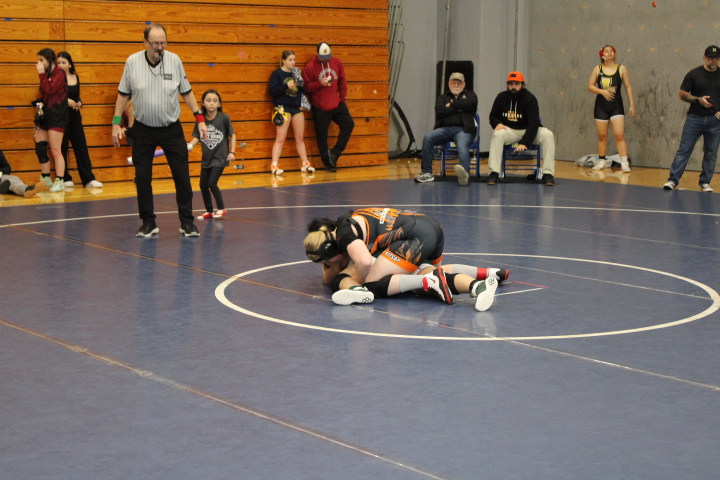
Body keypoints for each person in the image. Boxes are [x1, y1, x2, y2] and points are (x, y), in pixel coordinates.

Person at [303, 208, 508, 311]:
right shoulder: (351, 219)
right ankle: (482, 282)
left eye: (327, 263)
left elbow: (364, 262)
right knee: (432, 271)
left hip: (413, 236)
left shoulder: (345, 235)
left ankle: (359, 292)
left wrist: (363, 281)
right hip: (429, 227)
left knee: (374, 284)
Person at [111, 23, 207, 237]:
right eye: (155, 43)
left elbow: (187, 92)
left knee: (182, 176)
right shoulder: (132, 62)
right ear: (145, 42)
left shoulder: (175, 60)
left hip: (171, 128)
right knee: (142, 176)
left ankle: (187, 222)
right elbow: (123, 95)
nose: (160, 47)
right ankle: (148, 222)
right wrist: (116, 122)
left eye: (163, 42)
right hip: (143, 129)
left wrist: (199, 118)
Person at [663, 45, 720, 192]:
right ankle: (673, 180)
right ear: (705, 58)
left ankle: (705, 182)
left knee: (711, 153)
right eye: (711, 57)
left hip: (715, 121)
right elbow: (682, 94)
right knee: (684, 149)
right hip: (694, 119)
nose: (714, 60)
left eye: (716, 57)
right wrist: (698, 100)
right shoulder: (693, 74)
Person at [487, 71, 556, 186]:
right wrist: (497, 123)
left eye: (516, 84)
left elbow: (534, 123)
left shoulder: (530, 99)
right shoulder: (501, 97)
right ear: (507, 84)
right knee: (497, 135)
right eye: (511, 84)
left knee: (548, 135)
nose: (513, 87)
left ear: (522, 85)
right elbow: (492, 116)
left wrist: (525, 142)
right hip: (510, 131)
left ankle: (548, 174)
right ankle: (494, 173)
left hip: (528, 130)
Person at [414, 72, 478, 186]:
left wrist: (452, 105)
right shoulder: (443, 97)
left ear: (464, 85)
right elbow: (440, 111)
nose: (456, 85)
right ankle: (426, 173)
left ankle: (464, 174)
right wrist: (460, 107)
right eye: (454, 83)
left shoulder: (470, 95)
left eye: (459, 83)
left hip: (463, 130)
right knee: (428, 137)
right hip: (445, 129)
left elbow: (471, 103)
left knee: (462, 146)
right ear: (449, 84)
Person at [303, 42, 354, 172]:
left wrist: (342, 99)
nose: (326, 60)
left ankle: (335, 152)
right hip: (319, 105)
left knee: (349, 124)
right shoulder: (310, 67)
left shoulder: (337, 62)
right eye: (323, 57)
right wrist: (320, 83)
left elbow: (342, 81)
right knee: (322, 136)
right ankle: (329, 163)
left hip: (336, 102)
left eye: (327, 57)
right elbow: (307, 87)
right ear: (317, 55)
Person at [56, 51, 103, 189]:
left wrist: (79, 102)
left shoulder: (75, 77)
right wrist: (66, 101)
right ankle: (64, 178)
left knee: (81, 148)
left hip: (75, 117)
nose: (60, 65)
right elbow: (53, 99)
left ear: (69, 64)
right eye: (58, 63)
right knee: (62, 148)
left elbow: (77, 96)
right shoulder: (55, 79)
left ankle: (88, 178)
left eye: (63, 62)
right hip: (60, 118)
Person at [587, 45, 635, 173]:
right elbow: (590, 86)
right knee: (602, 136)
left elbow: (628, 87)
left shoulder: (621, 68)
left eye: (611, 51)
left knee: (619, 135)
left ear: (615, 54)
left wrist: (632, 105)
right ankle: (601, 161)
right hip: (601, 107)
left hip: (616, 106)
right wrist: (602, 91)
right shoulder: (598, 69)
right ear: (602, 54)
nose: (609, 53)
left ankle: (624, 162)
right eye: (606, 51)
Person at [188, 89, 235, 220]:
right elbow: (197, 136)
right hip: (207, 158)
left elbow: (232, 135)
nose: (212, 104)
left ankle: (221, 208)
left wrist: (232, 152)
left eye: (215, 101)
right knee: (203, 185)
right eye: (208, 101)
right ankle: (209, 210)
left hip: (220, 158)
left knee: (212, 183)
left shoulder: (224, 118)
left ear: (219, 104)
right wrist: (190, 145)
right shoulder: (200, 120)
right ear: (203, 103)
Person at [268, 50, 314, 176]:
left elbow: (302, 90)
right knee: (280, 138)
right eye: (290, 60)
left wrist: (302, 103)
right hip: (283, 108)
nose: (293, 62)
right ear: (283, 60)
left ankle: (305, 163)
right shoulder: (277, 74)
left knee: (300, 138)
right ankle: (274, 164)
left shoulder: (296, 73)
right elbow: (272, 91)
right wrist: (285, 86)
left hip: (296, 108)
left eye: (294, 59)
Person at [34, 48, 68, 193]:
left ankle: (60, 180)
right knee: (40, 146)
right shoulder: (46, 75)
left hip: (57, 115)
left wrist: (41, 74)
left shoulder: (60, 73)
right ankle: (46, 177)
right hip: (45, 114)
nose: (39, 63)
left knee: (55, 150)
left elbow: (50, 89)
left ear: (49, 60)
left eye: (41, 60)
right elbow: (44, 93)